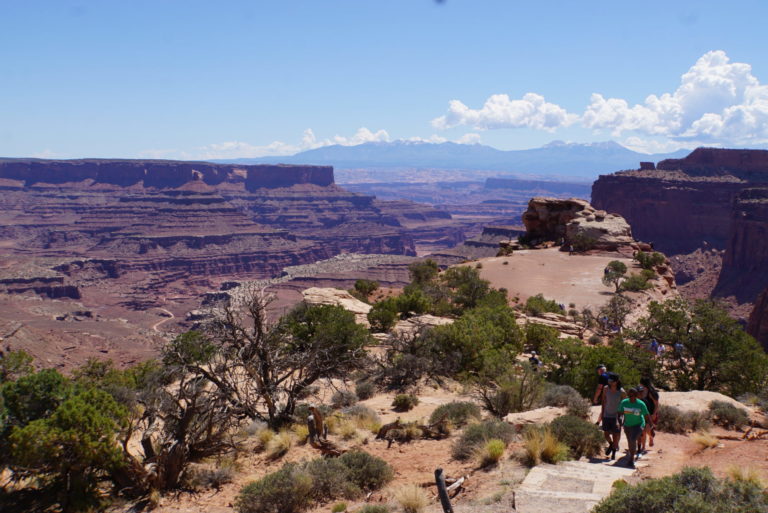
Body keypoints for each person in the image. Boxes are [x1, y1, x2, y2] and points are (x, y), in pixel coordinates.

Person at [618, 387, 653, 468]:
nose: (631, 397)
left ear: (636, 395)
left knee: (633, 439)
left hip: (639, 424)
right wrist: (619, 420)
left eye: (633, 396)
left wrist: (651, 427)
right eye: (629, 396)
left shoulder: (641, 404)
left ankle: (631, 459)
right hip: (627, 425)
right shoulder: (624, 402)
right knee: (630, 441)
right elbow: (620, 413)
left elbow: (647, 416)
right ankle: (632, 454)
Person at [597, 374, 625, 460]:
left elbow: (625, 403)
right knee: (606, 433)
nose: (609, 382)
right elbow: (603, 401)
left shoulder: (621, 392)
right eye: (609, 380)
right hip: (607, 414)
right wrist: (602, 413)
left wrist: (622, 416)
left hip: (616, 416)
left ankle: (613, 453)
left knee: (616, 435)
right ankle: (612, 444)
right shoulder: (606, 389)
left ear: (616, 382)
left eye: (611, 381)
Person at [638, 377, 660, 450]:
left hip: (650, 414)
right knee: (642, 430)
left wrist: (654, 414)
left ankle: (651, 437)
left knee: (647, 430)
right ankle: (643, 447)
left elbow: (656, 404)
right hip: (642, 414)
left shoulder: (651, 392)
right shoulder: (640, 391)